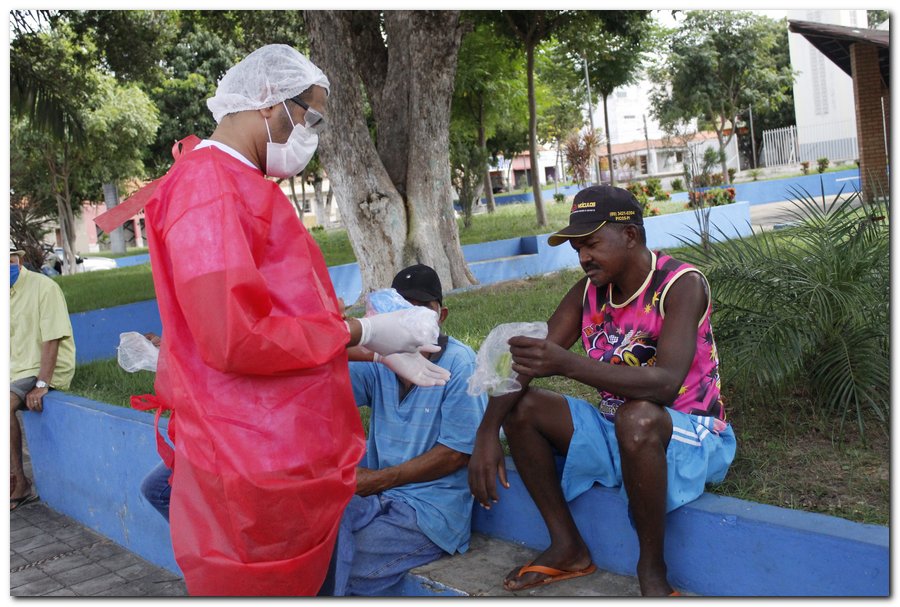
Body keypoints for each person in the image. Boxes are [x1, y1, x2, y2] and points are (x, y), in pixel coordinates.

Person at [98, 44, 443, 596]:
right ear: (268, 103)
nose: (312, 132)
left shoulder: (240, 184)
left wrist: (364, 348)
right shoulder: (209, 188)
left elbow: (277, 317)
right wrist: (363, 331)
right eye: (311, 115)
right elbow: (235, 335)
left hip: (281, 440)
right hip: (255, 451)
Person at [467, 185, 736, 596]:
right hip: (620, 430)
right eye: (577, 248)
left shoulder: (680, 285)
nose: (583, 257)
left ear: (629, 235)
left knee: (639, 416)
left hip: (691, 435)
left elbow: (665, 385)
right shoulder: (588, 292)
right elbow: (531, 362)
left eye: (591, 244)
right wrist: (487, 433)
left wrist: (569, 364)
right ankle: (567, 546)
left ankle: (652, 571)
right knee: (523, 407)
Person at [334, 265, 487, 596]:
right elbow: (328, 380)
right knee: (312, 538)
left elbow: (456, 454)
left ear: (441, 314)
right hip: (380, 496)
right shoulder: (381, 359)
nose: (410, 317)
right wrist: (347, 331)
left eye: (421, 308)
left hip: (429, 512)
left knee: (340, 567)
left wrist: (379, 479)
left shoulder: (461, 363)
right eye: (400, 307)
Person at [10, 244, 76, 510]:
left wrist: (41, 384)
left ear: (20, 259)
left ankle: (21, 483)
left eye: (10, 257)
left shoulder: (43, 287)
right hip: (15, 370)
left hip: (39, 369)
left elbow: (52, 340)